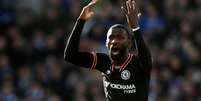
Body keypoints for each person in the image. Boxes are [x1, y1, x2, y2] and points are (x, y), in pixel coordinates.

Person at [64, 0, 152, 100]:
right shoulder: (103, 61)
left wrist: (135, 28)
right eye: (111, 37)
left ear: (129, 43)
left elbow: (146, 59)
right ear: (106, 43)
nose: (114, 41)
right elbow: (70, 56)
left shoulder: (138, 63)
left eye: (120, 37)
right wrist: (81, 21)